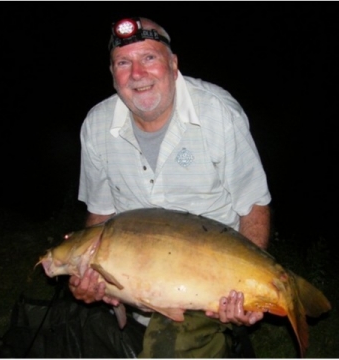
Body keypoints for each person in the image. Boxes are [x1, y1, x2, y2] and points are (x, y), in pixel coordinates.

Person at [69, 16, 272, 358]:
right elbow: (100, 214)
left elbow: (252, 206)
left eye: (149, 57)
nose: (137, 74)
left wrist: (250, 289)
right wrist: (87, 272)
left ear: (173, 64)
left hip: (211, 288)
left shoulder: (218, 113)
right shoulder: (96, 126)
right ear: (112, 73)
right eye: (124, 62)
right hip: (136, 292)